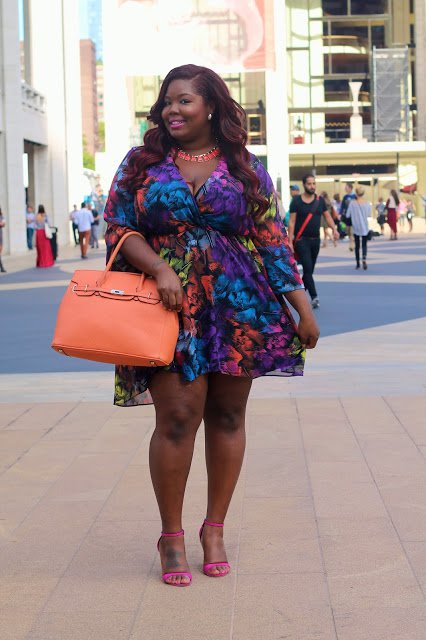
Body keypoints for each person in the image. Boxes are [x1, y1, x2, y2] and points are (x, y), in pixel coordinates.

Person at [103, 64, 320, 587]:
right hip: (166, 305)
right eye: (167, 101)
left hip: (238, 305)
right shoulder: (142, 163)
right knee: (177, 418)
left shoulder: (245, 166)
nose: (172, 110)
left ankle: (214, 529)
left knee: (227, 415)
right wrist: (159, 269)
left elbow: (271, 239)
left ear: (211, 107)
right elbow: (118, 227)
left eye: (184, 101)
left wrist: (302, 308)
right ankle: (171, 535)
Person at [288, 174, 339, 309]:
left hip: (316, 241)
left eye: (314, 183)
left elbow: (327, 217)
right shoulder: (296, 201)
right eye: (309, 184)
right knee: (307, 269)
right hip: (301, 241)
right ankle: (314, 297)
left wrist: (334, 229)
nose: (312, 186)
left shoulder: (319, 201)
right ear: (304, 185)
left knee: (309, 271)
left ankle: (298, 295)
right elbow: (292, 222)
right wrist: (290, 241)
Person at [347, 186, 371, 270]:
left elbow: (348, 215)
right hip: (364, 226)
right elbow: (369, 214)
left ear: (356, 193)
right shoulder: (367, 203)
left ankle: (357, 263)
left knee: (357, 245)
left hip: (355, 226)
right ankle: (364, 258)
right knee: (364, 244)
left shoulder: (352, 203)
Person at [340, 182, 356, 250]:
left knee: (352, 231)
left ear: (350, 188)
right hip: (346, 216)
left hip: (353, 216)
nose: (345, 189)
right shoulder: (345, 197)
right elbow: (342, 206)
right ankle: (352, 240)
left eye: (346, 188)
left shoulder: (355, 196)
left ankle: (352, 245)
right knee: (347, 230)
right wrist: (340, 213)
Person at [0, 206, 6, 272]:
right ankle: (1, 267)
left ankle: (1, 267)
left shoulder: (1, 216)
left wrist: (2, 224)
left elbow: (4, 224)